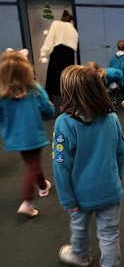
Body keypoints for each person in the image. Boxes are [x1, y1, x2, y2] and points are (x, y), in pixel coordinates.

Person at [52, 65, 124, 267]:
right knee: (110, 233)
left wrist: (67, 197)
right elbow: (121, 151)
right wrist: (118, 177)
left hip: (80, 193)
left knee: (79, 227)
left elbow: (61, 164)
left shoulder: (64, 123)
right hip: (110, 187)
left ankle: (80, 256)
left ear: (68, 92)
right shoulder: (112, 117)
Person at [0, 49, 54, 217]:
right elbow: (47, 110)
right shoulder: (35, 89)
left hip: (14, 137)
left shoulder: (2, 94)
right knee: (32, 164)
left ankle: (43, 186)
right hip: (32, 134)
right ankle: (27, 201)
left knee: (31, 162)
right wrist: (48, 110)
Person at [39, 10, 78, 101]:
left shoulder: (56, 24)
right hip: (69, 55)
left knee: (51, 78)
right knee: (67, 79)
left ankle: (49, 103)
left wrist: (43, 53)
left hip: (58, 52)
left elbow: (50, 39)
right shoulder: (74, 30)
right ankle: (69, 102)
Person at [108, 40, 124, 113]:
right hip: (120, 76)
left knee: (113, 92)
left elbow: (110, 66)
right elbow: (122, 67)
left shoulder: (113, 57)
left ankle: (112, 107)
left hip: (111, 76)